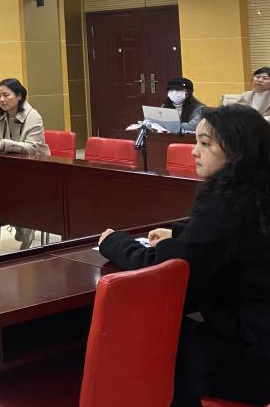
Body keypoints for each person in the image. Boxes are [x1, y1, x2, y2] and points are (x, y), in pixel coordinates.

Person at [98, 104, 270, 407]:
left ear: (238, 152)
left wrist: (114, 242)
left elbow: (164, 268)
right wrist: (180, 234)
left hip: (254, 356)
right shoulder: (256, 191)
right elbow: (237, 237)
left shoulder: (226, 204)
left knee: (155, 342)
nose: (194, 151)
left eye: (205, 144)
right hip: (260, 336)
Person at [0, 78, 49, 248]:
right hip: (10, 170)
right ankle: (20, 224)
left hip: (36, 170)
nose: (1, 99)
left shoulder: (33, 116)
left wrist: (3, 144)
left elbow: (32, 148)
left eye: (6, 95)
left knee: (9, 191)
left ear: (19, 96)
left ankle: (24, 225)